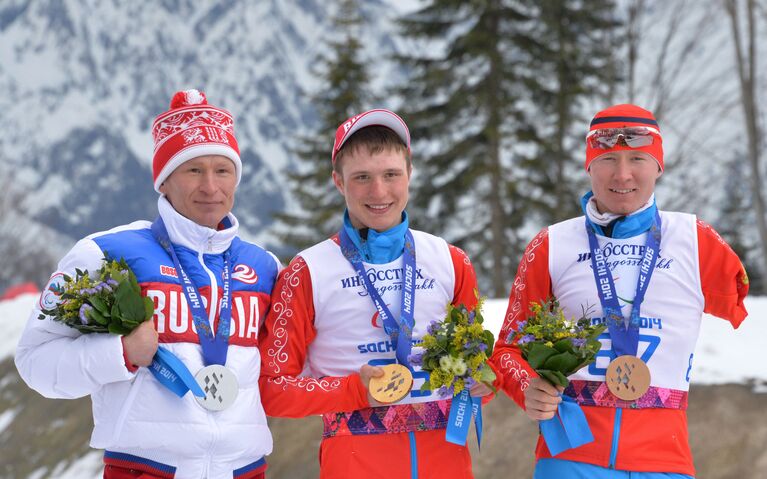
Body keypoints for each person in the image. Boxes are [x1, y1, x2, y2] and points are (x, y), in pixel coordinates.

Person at [16, 89, 280, 479]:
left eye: (222, 170)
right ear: (164, 181)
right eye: (193, 170)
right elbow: (35, 361)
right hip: (146, 470)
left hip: (244, 470)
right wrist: (119, 353)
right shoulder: (104, 253)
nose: (210, 186)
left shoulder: (265, 267)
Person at [489, 104, 749, 479]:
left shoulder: (697, 241)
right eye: (608, 158)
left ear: (658, 166)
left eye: (638, 158)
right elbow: (507, 350)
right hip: (568, 459)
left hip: (665, 464)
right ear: (589, 166)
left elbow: (745, 311)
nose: (623, 174)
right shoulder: (551, 244)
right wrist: (528, 386)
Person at [258, 109, 490, 478]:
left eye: (391, 175)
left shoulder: (450, 260)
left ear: (409, 174)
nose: (378, 192)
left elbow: (478, 362)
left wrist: (482, 380)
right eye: (362, 177)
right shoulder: (308, 271)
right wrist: (353, 390)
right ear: (338, 181)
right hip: (355, 461)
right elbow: (272, 388)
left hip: (446, 459)